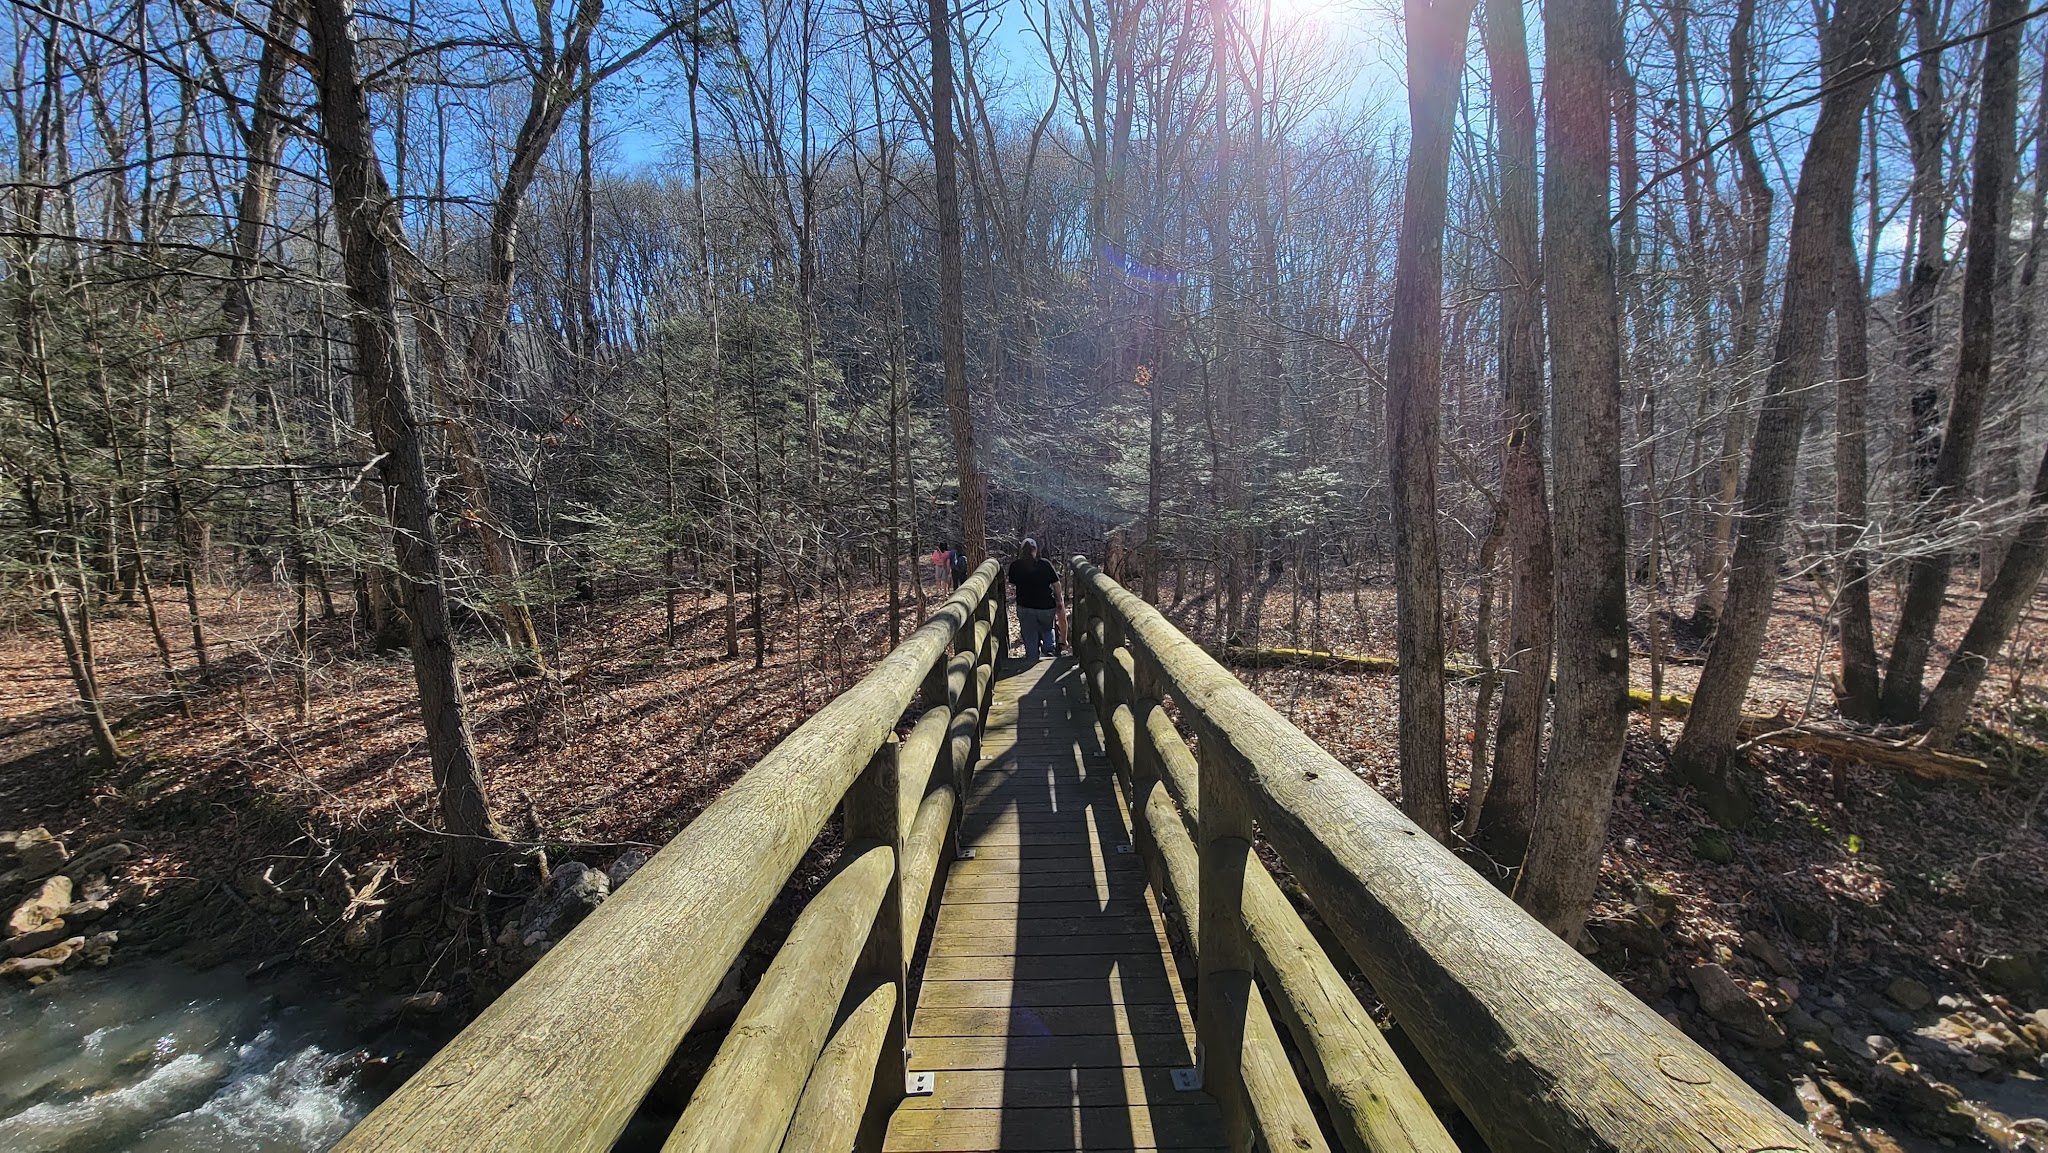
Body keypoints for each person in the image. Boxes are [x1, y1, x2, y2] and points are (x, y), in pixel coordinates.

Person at [1008, 538, 1061, 661]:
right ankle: (1049, 652)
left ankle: (1032, 662)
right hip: (1046, 607)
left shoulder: (1015, 566)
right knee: (1048, 629)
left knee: (1030, 636)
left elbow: (1012, 584)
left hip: (1025, 607)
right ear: (1036, 550)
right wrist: (1059, 600)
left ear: (1021, 551)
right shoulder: (1045, 564)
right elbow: (1056, 584)